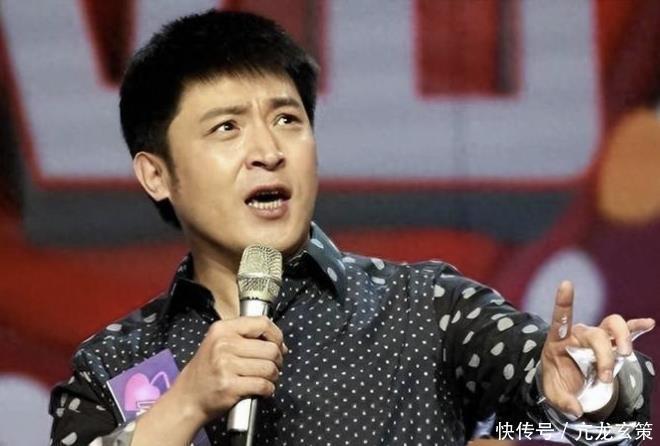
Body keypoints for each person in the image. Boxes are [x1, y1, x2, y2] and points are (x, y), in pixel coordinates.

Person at [49, 10, 655, 446]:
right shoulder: (116, 361)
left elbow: (620, 424)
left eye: (287, 119)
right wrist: (186, 404)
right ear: (156, 174)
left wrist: (590, 385)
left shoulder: (424, 308)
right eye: (227, 128)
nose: (268, 151)